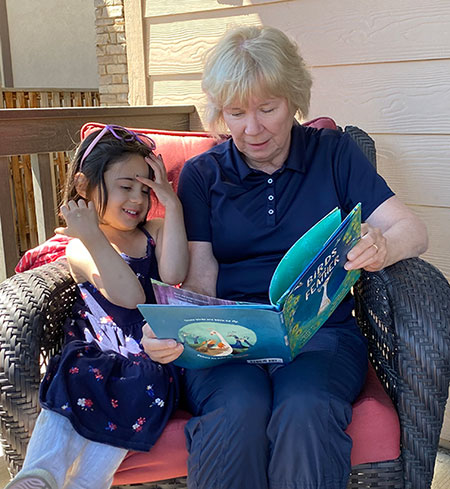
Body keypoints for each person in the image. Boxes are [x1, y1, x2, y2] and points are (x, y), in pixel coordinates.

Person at [142, 25, 428, 489]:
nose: (251, 129)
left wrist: (382, 245)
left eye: (267, 109)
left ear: (294, 99)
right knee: (235, 411)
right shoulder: (201, 176)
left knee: (306, 407)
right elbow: (201, 282)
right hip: (231, 339)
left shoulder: (334, 154)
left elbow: (412, 230)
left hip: (320, 333)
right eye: (236, 113)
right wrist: (174, 327)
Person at [6, 125, 189, 489]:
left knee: (131, 398)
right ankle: (39, 475)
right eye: (125, 186)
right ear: (83, 186)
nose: (137, 199)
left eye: (145, 188)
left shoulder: (152, 231)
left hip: (147, 361)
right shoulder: (79, 247)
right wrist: (90, 234)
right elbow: (126, 293)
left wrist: (173, 205)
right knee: (67, 388)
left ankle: (87, 482)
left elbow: (173, 272)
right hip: (92, 356)